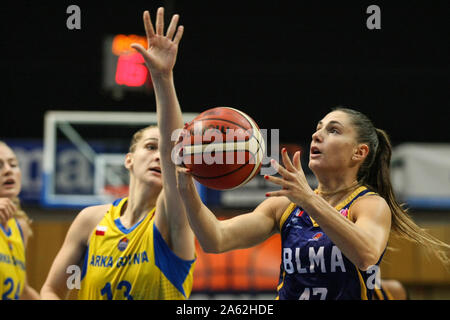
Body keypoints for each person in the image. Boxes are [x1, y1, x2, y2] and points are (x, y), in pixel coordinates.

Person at [176, 107, 450, 300]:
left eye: (333, 130)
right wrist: (186, 187)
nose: (316, 136)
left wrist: (308, 199)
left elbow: (366, 255)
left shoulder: (369, 205)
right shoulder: (285, 205)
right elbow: (215, 240)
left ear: (359, 152)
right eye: (317, 129)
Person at [40, 8, 196, 300]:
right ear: (128, 159)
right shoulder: (90, 220)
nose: (158, 157)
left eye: (161, 151)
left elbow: (171, 148)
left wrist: (162, 78)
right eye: (150, 147)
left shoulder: (172, 218)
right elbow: (51, 289)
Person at [0, 141, 40, 299]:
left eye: (13, 164)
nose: (8, 170)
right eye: (0, 166)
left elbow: (23, 290)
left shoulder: (20, 226)